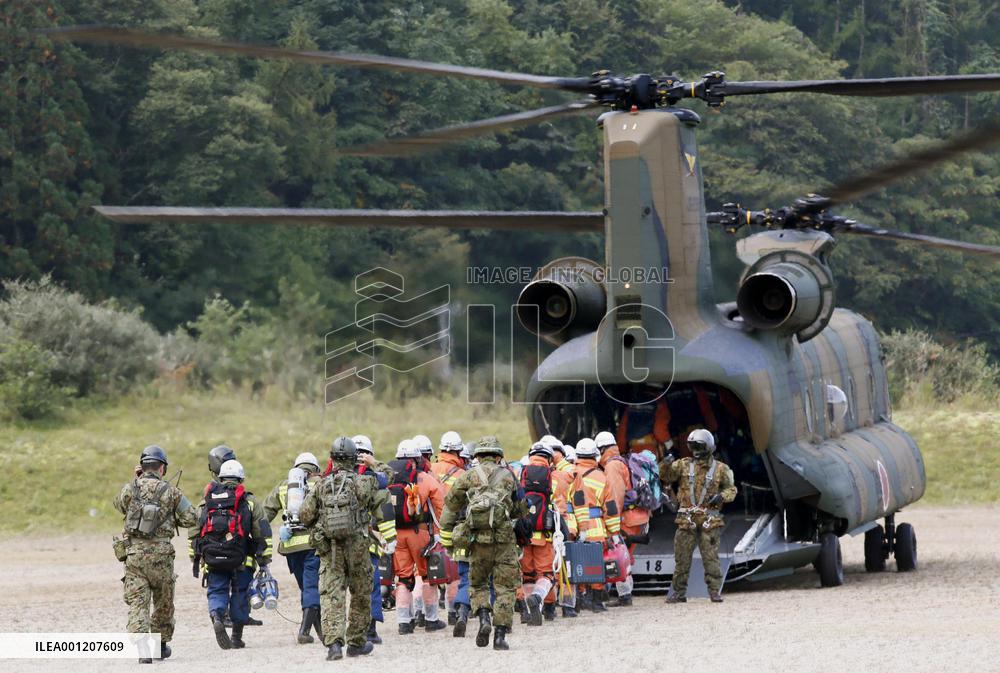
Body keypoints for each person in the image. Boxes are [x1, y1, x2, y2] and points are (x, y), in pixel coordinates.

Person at [298, 436, 393, 660]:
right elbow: (387, 478)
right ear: (354, 458)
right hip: (358, 547)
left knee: (332, 595)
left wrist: (321, 526)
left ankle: (334, 645)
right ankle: (357, 643)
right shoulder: (364, 482)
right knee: (361, 593)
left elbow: (304, 514)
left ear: (332, 459)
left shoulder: (321, 484)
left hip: (330, 549)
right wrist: (372, 462)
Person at [114, 445, 198, 664]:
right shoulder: (171, 491)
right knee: (163, 601)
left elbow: (118, 505)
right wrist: (171, 518)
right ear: (162, 468)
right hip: (162, 556)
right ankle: (160, 646)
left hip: (134, 555)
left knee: (138, 603)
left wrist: (135, 481)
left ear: (142, 467)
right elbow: (192, 518)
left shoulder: (130, 488)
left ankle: (142, 649)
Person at [439, 436, 524, 651]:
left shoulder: (467, 476)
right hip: (503, 540)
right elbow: (519, 509)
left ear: (477, 456)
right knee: (505, 587)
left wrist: (447, 538)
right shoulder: (510, 476)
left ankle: (484, 618)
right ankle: (500, 636)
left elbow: (450, 507)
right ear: (498, 456)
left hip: (477, 541)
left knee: (477, 584)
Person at [194, 459, 273, 650]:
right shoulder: (249, 500)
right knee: (240, 593)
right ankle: (237, 637)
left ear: (220, 477)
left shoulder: (207, 500)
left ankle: (217, 617)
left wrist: (197, 558)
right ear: (241, 478)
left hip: (213, 558)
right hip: (241, 559)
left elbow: (195, 530)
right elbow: (262, 530)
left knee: (217, 590)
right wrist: (264, 559)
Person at [664, 429, 737, 603]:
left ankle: (714, 591)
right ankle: (679, 592)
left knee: (710, 557)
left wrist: (722, 496)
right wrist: (665, 464)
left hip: (709, 520)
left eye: (699, 445)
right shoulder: (682, 465)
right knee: (682, 558)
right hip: (686, 520)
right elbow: (667, 476)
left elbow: (732, 489)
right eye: (693, 446)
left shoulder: (721, 469)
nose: (695, 449)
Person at [262, 452, 324, 644]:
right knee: (312, 587)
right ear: (315, 470)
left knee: (306, 588)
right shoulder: (322, 485)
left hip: (291, 547)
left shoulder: (284, 487)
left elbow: (264, 516)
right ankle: (304, 632)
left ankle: (320, 633)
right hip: (314, 545)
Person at [389, 439, 446, 634]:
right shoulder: (425, 478)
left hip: (397, 534)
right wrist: (439, 535)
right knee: (428, 576)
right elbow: (440, 506)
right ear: (416, 458)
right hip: (419, 533)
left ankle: (404, 622)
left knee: (404, 578)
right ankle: (431, 619)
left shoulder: (390, 478)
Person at [352, 434, 395, 646]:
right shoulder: (374, 478)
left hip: (339, 542)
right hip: (366, 540)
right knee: (371, 585)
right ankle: (370, 630)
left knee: (339, 586)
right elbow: (390, 476)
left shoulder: (336, 476)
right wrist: (373, 463)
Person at [567, 437, 620, 612]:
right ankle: (597, 602)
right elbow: (611, 509)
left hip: (574, 525)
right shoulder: (602, 477)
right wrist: (614, 532)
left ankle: (580, 599)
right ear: (595, 456)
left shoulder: (570, 473)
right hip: (596, 528)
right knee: (595, 564)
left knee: (577, 563)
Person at [430, 430, 471, 631]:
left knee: (425, 575)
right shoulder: (462, 475)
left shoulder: (429, 468)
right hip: (455, 528)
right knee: (455, 574)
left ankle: (422, 615)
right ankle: (454, 613)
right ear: (458, 452)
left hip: (430, 528)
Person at [517, 441, 560, 625]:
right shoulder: (553, 476)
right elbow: (559, 505)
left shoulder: (520, 474)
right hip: (544, 535)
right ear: (549, 458)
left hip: (523, 535)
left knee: (527, 574)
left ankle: (526, 611)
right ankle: (539, 598)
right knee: (547, 574)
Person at [595, 431, 634, 607]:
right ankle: (622, 594)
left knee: (618, 554)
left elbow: (615, 498)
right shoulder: (620, 461)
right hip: (632, 517)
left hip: (624, 519)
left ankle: (624, 596)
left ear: (601, 449)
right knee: (624, 555)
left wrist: (612, 526)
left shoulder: (611, 467)